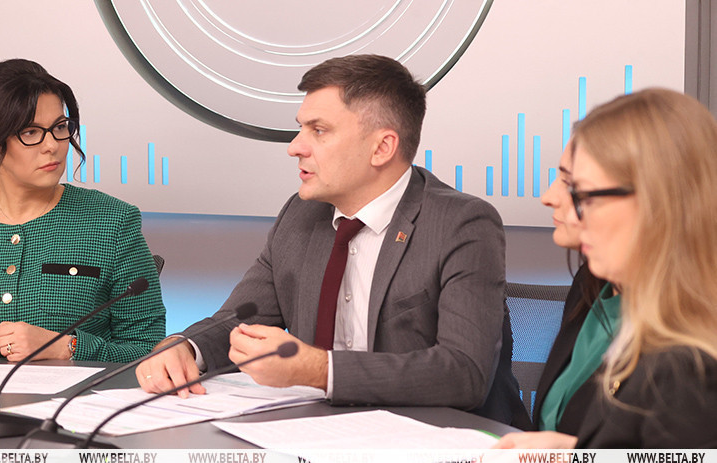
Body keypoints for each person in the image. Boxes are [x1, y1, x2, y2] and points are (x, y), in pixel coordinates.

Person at [135, 54, 529, 428]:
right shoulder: (300, 215)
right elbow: (238, 323)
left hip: (445, 443)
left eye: (318, 130)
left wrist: (319, 370)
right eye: (301, 128)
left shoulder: (461, 223)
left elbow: (463, 373)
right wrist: (185, 347)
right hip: (318, 437)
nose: (295, 147)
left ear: (382, 148)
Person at [495, 88, 717, 463]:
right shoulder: (615, 299)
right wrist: (578, 455)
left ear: (656, 202)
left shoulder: (689, 368)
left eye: (584, 196)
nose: (557, 202)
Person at [0, 59, 166, 363]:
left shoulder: (113, 222)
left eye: (60, 128)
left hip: (76, 396)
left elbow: (150, 350)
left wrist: (66, 346)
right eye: (30, 132)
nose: (52, 145)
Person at [532, 141, 608, 434]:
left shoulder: (690, 335)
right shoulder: (590, 281)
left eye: (572, 185)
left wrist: (578, 455)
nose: (548, 197)